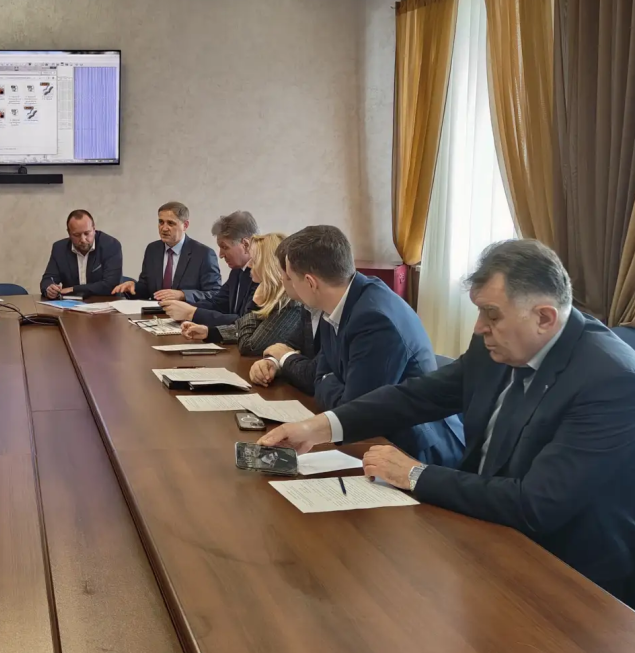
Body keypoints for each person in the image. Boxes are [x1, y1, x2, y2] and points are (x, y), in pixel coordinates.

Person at [262, 239, 635, 605]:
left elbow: (535, 504)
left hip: (567, 577)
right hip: (482, 531)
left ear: (544, 317)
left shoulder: (611, 379)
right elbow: (416, 396)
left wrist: (413, 474)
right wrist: (318, 427)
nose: (479, 327)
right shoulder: (498, 345)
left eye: (491, 314)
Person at [276, 225, 463, 465]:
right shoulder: (336, 303)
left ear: (311, 283)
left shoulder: (374, 319)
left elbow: (353, 409)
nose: (290, 286)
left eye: (291, 279)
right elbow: (319, 377)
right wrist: (329, 382)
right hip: (373, 439)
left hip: (414, 452)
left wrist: (328, 382)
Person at [179, 233, 306, 355]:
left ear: (268, 265)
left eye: (254, 260)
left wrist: (254, 303)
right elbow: (249, 329)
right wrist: (210, 332)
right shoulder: (275, 296)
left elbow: (249, 345)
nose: (249, 265)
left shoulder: (289, 303)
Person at [248, 235, 322, 391]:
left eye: (285, 275)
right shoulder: (308, 306)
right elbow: (292, 346)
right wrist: (271, 363)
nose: (281, 279)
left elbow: (316, 375)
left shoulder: (296, 304)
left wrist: (284, 357)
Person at [160, 211, 259, 324]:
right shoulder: (237, 271)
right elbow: (217, 304)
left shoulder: (262, 275)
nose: (220, 255)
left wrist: (192, 313)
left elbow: (245, 323)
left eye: (225, 247)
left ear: (245, 244)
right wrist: (182, 307)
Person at [111, 201, 221, 300]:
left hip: (186, 314)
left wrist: (183, 295)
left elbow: (214, 294)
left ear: (185, 225)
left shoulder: (203, 254)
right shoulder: (153, 249)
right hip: (154, 313)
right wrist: (133, 287)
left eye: (170, 223)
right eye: (161, 222)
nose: (164, 228)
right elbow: (146, 289)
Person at [40, 210, 123, 299]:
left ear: (94, 229)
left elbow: (111, 284)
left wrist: (73, 289)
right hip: (70, 304)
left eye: (87, 233)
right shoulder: (60, 248)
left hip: (104, 302)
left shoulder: (110, 245)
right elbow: (48, 279)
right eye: (76, 235)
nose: (83, 239)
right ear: (69, 233)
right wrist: (49, 289)